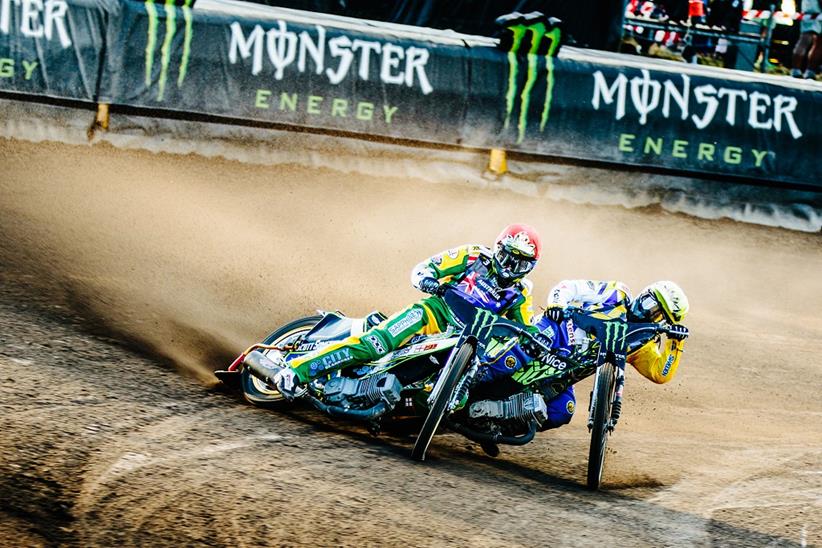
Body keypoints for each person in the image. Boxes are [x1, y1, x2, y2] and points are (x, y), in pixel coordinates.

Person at [264, 224, 542, 398]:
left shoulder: (522, 292)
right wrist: (432, 283)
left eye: (520, 263)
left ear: (530, 266)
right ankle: (295, 371)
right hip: (431, 314)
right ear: (497, 248)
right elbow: (423, 269)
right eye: (507, 256)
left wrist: (537, 341)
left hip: (463, 342)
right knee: (375, 345)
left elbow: (526, 330)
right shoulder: (472, 255)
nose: (510, 266)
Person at [469, 280, 690, 433]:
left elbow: (660, 373)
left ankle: (492, 424)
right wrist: (557, 304)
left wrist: (675, 341)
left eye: (658, 313)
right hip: (555, 334)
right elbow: (569, 287)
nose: (648, 311)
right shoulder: (617, 293)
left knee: (563, 411)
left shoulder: (642, 343)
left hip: (564, 375)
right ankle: (463, 381)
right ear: (645, 293)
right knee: (516, 357)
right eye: (650, 302)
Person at [792, 0, 822, 79]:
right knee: (807, 40)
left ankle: (807, 71)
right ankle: (799, 70)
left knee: (816, 42)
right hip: (814, 12)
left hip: (809, 11)